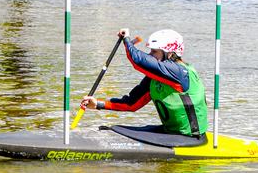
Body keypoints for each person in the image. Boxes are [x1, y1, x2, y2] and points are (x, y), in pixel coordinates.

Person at [80, 28, 209, 138]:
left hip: (189, 137)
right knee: (114, 129)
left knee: (118, 131)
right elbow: (131, 104)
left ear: (170, 54)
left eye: (154, 51)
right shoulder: (157, 77)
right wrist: (98, 104)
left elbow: (138, 61)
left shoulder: (180, 73)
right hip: (170, 133)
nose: (150, 55)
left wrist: (126, 40)